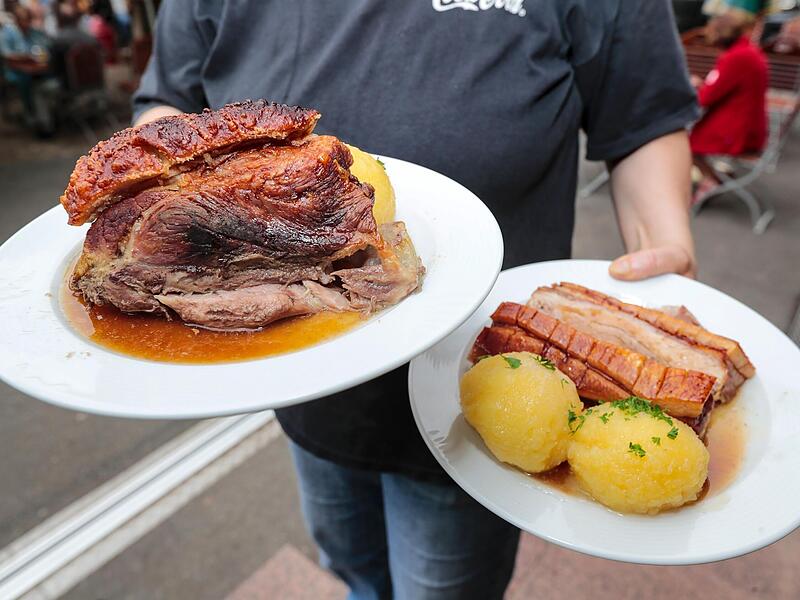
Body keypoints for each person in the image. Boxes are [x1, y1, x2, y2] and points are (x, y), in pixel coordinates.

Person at [133, 1, 698, 598]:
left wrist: (662, 249)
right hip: (301, 386)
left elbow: (645, 117)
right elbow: (167, 109)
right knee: (351, 567)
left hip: (482, 398)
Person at [690, 12, 768, 201]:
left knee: (682, 143)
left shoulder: (738, 57)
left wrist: (697, 87)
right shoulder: (747, 52)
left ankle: (710, 179)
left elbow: (706, 97)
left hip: (736, 131)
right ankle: (713, 178)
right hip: (747, 126)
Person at [0, 2, 57, 134]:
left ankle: (47, 114)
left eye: (27, 21)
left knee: (46, 80)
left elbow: (46, 48)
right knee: (25, 80)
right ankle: (30, 112)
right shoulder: (7, 33)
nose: (25, 24)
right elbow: (7, 56)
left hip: (35, 69)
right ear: (16, 21)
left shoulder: (34, 32)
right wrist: (25, 58)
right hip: (15, 71)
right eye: (22, 21)